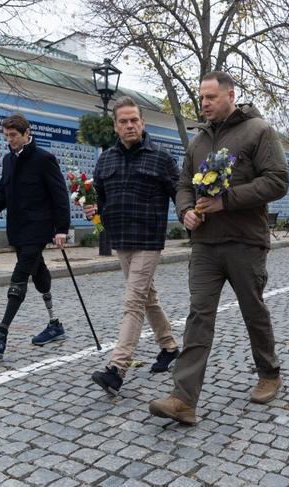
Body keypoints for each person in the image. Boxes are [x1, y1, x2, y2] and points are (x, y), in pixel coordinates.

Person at [149, 71, 289, 425]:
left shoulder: (259, 131)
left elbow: (277, 181)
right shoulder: (197, 142)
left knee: (253, 310)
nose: (205, 104)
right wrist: (185, 212)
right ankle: (183, 398)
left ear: (230, 95)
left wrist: (226, 201)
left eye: (211, 97)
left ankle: (269, 372)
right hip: (206, 245)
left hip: (245, 241)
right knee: (198, 316)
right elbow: (183, 184)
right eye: (202, 98)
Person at [85, 96, 181, 396]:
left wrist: (192, 214)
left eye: (134, 120)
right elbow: (99, 197)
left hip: (148, 240)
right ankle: (169, 346)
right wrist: (92, 210)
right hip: (121, 239)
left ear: (142, 123)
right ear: (116, 126)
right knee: (147, 298)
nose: (129, 125)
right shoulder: (105, 160)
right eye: (123, 121)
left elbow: (180, 193)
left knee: (133, 301)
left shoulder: (161, 158)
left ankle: (116, 368)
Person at [0, 114, 70, 360]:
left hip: (37, 229)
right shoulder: (8, 160)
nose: (10, 140)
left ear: (27, 133)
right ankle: (55, 325)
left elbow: (60, 196)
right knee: (39, 275)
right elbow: (4, 195)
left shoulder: (44, 159)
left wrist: (62, 229)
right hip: (17, 230)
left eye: (14, 135)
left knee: (20, 275)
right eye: (6, 136)